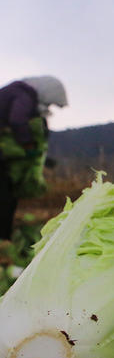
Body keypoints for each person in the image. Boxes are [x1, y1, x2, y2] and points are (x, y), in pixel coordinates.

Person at [0, 76, 68, 240]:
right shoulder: (24, 95)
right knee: (5, 196)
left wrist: (42, 158)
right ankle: (2, 241)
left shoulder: (16, 92)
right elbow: (17, 120)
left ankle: (4, 239)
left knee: (8, 193)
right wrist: (28, 144)